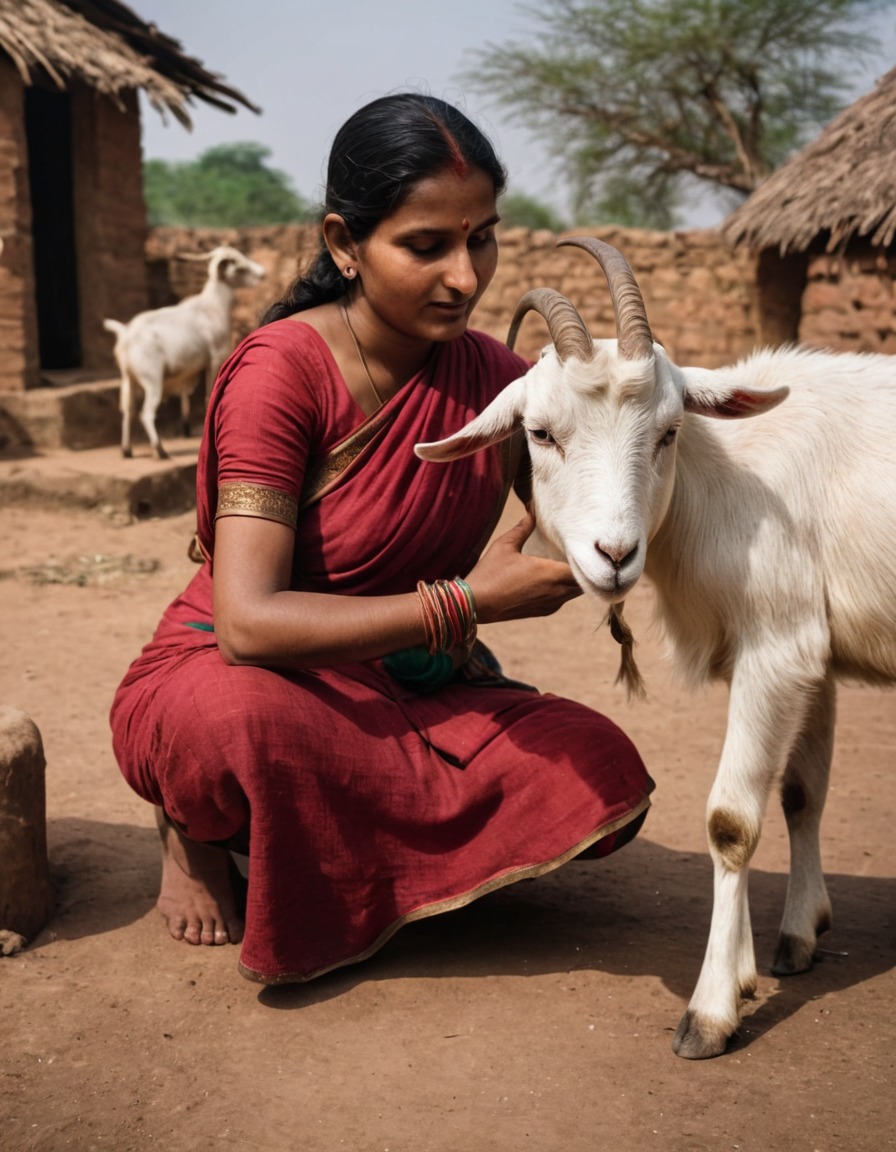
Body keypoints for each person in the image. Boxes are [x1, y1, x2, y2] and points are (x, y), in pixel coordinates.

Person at [110, 93, 654, 986]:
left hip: (410, 688)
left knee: (600, 772)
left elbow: (592, 501)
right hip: (252, 673)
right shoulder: (280, 373)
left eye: (482, 239)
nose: (466, 278)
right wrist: (468, 603)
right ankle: (193, 836)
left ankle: (352, 846)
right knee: (240, 728)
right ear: (342, 244)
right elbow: (247, 625)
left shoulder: (494, 377)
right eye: (426, 245)